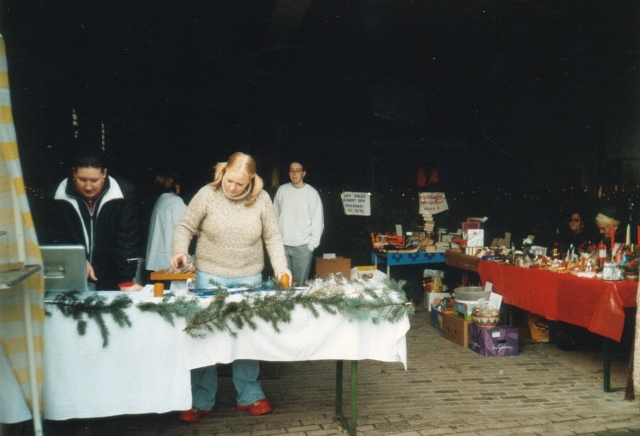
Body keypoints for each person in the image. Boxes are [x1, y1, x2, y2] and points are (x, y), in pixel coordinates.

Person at [170, 152, 292, 422]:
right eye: (229, 180)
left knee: (245, 337)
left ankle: (249, 394)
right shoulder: (207, 194)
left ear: (251, 180)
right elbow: (185, 226)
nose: (232, 187)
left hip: (248, 278)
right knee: (204, 336)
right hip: (208, 278)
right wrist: (180, 250)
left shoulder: (262, 200)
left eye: (240, 183)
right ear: (223, 172)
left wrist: (281, 268)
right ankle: (200, 399)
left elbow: (272, 237)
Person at [47, 153, 143, 291]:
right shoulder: (57, 195)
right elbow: (55, 236)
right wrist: (77, 260)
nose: (88, 187)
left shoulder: (123, 192)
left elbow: (127, 238)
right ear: (73, 172)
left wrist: (125, 281)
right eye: (82, 180)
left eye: (94, 180)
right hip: (71, 274)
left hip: (112, 275)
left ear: (104, 173)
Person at [273, 161, 324, 286]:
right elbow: (274, 217)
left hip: (303, 248)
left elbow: (318, 221)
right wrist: (276, 241)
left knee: (299, 287)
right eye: (291, 170)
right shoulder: (282, 190)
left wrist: (311, 246)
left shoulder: (311, 193)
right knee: (282, 286)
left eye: (298, 170)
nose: (294, 173)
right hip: (282, 247)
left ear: (304, 173)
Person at [145, 171, 187, 272]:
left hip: (156, 259)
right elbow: (187, 226)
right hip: (168, 259)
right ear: (175, 185)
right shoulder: (176, 201)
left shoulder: (160, 200)